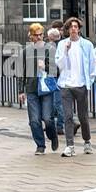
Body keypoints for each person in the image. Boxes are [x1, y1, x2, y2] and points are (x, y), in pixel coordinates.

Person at [55, 16, 96, 156]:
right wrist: (66, 51)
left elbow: (91, 65)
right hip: (66, 84)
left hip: (81, 84)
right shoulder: (62, 45)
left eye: (76, 27)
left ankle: (87, 141)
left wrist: (88, 82)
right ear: (67, 29)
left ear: (79, 29)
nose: (73, 29)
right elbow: (59, 65)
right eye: (71, 27)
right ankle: (70, 145)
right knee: (67, 116)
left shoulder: (87, 45)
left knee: (83, 116)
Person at [18, 23, 59, 155]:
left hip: (46, 88)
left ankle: (53, 136)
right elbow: (21, 72)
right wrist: (20, 91)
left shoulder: (50, 49)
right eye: (36, 35)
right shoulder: (25, 51)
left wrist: (45, 66)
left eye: (41, 34)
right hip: (32, 89)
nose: (39, 37)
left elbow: (55, 70)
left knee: (48, 118)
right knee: (34, 120)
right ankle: (40, 145)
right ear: (31, 37)